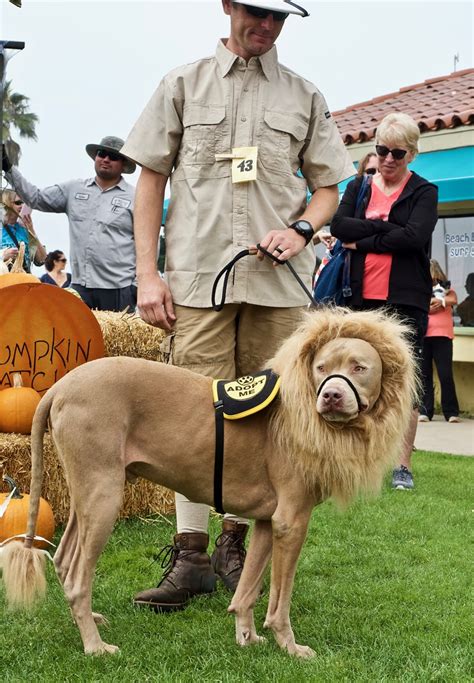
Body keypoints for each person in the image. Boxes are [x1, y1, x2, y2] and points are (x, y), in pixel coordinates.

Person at [121, 0, 355, 612]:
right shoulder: (181, 84)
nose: (268, 26)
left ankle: (233, 547)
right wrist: (148, 273)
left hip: (281, 289)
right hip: (198, 281)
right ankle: (190, 554)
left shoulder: (305, 96)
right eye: (257, 11)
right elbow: (150, 178)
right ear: (228, 6)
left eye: (280, 18)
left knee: (269, 416)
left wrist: (302, 228)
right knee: (191, 413)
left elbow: (330, 185)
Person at [330, 112, 439, 491]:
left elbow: (415, 237)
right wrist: (387, 230)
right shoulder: (358, 186)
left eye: (397, 152)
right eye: (382, 150)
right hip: (357, 296)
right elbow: (339, 227)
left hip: (407, 300)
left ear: (412, 154)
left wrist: (365, 238)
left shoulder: (424, 191)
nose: (389, 159)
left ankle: (402, 466)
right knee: (354, 374)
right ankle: (352, 459)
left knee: (406, 381)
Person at [2, 136, 136, 311]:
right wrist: (9, 168)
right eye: (102, 153)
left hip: (118, 289)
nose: (106, 159)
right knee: (76, 338)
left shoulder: (135, 197)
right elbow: (36, 197)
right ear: (95, 157)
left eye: (113, 156)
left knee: (116, 339)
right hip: (80, 287)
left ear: (123, 164)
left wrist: (137, 286)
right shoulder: (74, 189)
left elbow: (148, 243)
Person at [419, 260, 460, 423]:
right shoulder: (420, 288)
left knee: (445, 374)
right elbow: (422, 305)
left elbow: (454, 299)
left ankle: (451, 412)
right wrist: (430, 305)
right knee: (424, 374)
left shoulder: (447, 288)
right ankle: (425, 411)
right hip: (424, 334)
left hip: (443, 335)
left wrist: (441, 301)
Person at [1, 189, 46, 271]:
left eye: (24, 203)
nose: (22, 206)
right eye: (18, 203)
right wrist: (3, 256)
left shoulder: (24, 229)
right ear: (6, 204)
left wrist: (31, 230)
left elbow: (41, 260)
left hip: (22, 281)